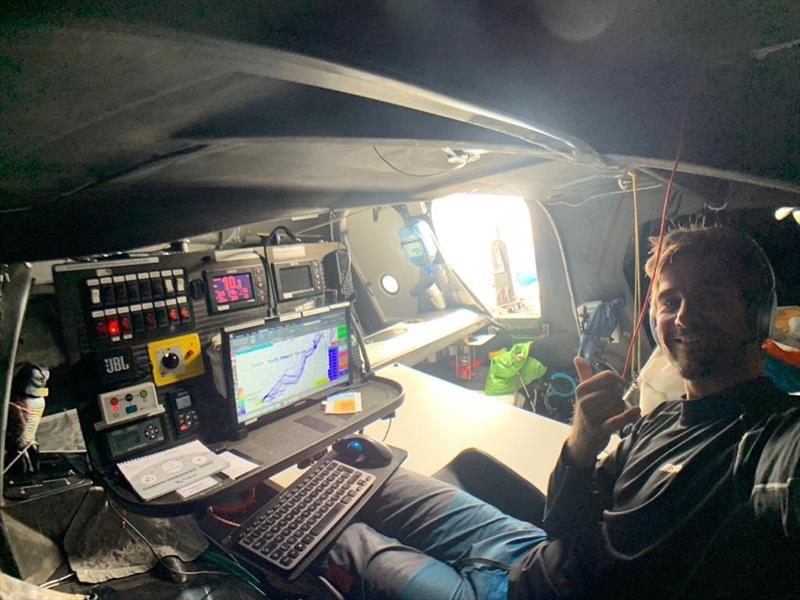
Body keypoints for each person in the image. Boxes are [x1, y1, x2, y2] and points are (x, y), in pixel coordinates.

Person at [319, 226, 800, 599]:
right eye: (669, 301)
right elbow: (564, 524)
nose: (684, 316)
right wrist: (582, 444)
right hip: (529, 551)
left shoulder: (766, 443)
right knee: (362, 476)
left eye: (711, 295)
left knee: (327, 538)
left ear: (757, 314)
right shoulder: (661, 419)